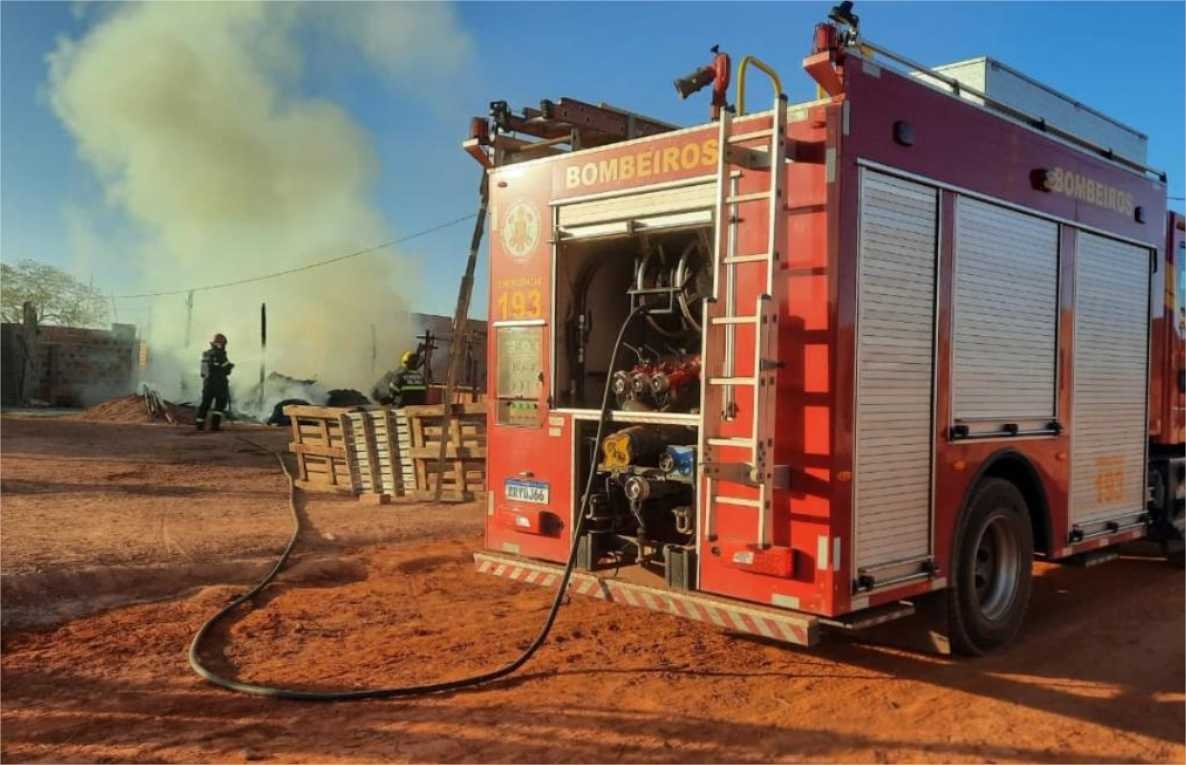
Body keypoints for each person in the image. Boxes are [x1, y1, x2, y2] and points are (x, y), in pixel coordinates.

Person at [196, 333, 234, 431]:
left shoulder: (206, 354)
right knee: (220, 404)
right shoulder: (221, 354)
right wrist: (230, 366)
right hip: (219, 385)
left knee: (205, 403)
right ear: (221, 343)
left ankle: (199, 424)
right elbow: (227, 371)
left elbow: (203, 372)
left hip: (207, 384)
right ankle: (215, 426)